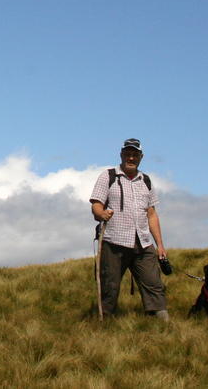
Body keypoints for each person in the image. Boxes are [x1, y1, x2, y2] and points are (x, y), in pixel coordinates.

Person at [89, 138, 169, 321]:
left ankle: (161, 324)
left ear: (141, 157)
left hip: (143, 241)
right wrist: (101, 214)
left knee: (154, 283)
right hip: (113, 240)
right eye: (127, 154)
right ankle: (105, 323)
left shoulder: (146, 180)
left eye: (134, 155)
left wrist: (160, 246)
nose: (131, 158)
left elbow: (151, 214)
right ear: (121, 155)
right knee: (110, 285)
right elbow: (96, 204)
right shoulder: (108, 176)